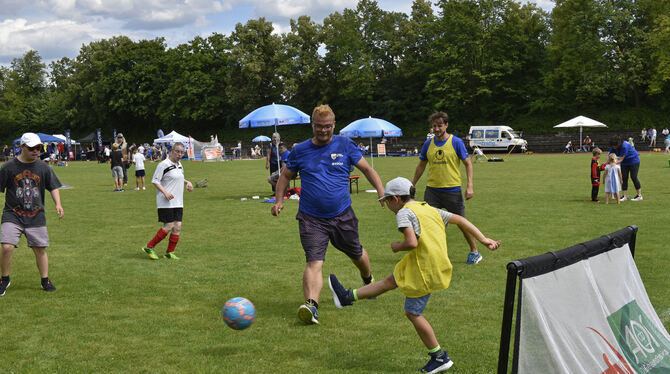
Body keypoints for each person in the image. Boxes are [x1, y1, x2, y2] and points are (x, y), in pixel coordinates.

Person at [327, 177, 500, 373]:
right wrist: (483, 239)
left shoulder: (403, 213)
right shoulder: (428, 208)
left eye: (387, 200)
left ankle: (439, 357)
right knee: (390, 281)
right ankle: (346, 297)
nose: (387, 205)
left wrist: (396, 246)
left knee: (413, 313)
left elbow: (411, 243)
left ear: (397, 199)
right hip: (433, 262)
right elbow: (459, 219)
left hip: (423, 267)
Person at [271, 104, 385, 325]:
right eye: (319, 126)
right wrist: (279, 201)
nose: (323, 131)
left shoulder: (345, 145)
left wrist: (381, 192)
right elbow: (285, 176)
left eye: (327, 127)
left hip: (342, 215)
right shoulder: (300, 150)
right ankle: (311, 305)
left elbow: (368, 170)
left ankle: (368, 280)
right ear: (312, 125)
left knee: (356, 252)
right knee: (314, 261)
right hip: (311, 217)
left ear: (334, 125)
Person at [412, 111, 480, 265]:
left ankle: (475, 251)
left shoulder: (456, 142)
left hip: (452, 190)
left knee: (462, 223)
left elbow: (468, 164)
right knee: (427, 223)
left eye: (440, 126)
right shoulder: (427, 144)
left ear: (446, 125)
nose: (436, 129)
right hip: (432, 191)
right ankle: (429, 254)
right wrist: (413, 184)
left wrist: (470, 185)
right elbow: (421, 166)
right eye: (434, 126)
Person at [0, 132, 64, 296]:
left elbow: (53, 186)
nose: (36, 151)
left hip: (36, 215)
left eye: (38, 148)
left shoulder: (43, 167)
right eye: (32, 148)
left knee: (40, 249)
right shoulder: (8, 167)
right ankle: (4, 279)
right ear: (22, 147)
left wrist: (58, 204)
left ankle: (45, 280)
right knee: (6, 247)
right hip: (12, 214)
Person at [141, 142, 193, 260]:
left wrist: (187, 182)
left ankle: (169, 252)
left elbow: (178, 177)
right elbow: (155, 181)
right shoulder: (163, 164)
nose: (180, 154)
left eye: (181, 152)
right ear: (172, 151)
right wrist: (165, 192)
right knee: (169, 225)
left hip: (178, 201)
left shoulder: (180, 165)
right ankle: (149, 246)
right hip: (166, 201)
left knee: (177, 226)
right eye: (177, 151)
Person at [609, 136, 642, 201]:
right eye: (612, 146)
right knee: (624, 177)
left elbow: (620, 159)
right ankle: (624, 196)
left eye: (614, 146)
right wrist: (605, 164)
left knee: (634, 177)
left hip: (633, 161)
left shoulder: (625, 146)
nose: (613, 147)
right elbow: (610, 156)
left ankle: (639, 196)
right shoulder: (613, 147)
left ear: (618, 144)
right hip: (624, 163)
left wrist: (612, 164)